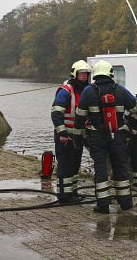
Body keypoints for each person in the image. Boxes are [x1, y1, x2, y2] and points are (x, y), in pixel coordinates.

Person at [74, 60, 137, 214]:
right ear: (111, 73)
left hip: (97, 136)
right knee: (120, 167)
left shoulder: (88, 91)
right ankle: (125, 203)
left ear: (95, 74)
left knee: (101, 167)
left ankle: (103, 205)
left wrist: (77, 137)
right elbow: (135, 108)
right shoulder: (120, 90)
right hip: (117, 136)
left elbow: (80, 116)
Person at [51, 60, 91, 203]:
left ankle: (72, 193)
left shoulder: (85, 90)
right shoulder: (66, 90)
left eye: (86, 73)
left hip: (78, 135)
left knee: (75, 165)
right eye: (81, 73)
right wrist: (62, 133)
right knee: (65, 166)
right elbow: (56, 113)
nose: (84, 75)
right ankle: (64, 196)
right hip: (66, 136)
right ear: (75, 74)